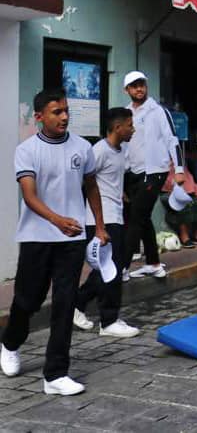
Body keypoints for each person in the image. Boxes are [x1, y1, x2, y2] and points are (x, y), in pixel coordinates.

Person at [1, 89, 108, 396]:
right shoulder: (26, 150)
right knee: (27, 300)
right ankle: (9, 343)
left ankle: (55, 374)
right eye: (56, 112)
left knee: (64, 303)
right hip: (37, 237)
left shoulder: (82, 147)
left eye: (65, 110)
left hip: (71, 239)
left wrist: (99, 226)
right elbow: (30, 196)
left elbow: (91, 187)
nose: (64, 116)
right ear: (39, 117)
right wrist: (56, 220)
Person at [73, 108, 140, 338]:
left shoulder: (121, 150)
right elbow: (85, 182)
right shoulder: (99, 151)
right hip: (100, 219)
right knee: (113, 268)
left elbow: (110, 179)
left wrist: (119, 193)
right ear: (118, 127)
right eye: (130, 125)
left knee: (109, 267)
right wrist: (96, 224)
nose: (133, 129)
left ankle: (78, 303)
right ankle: (108, 321)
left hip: (116, 216)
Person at [123, 71, 184, 278]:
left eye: (141, 84)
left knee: (135, 218)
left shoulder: (158, 111)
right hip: (133, 173)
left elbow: (172, 140)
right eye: (134, 86)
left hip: (155, 172)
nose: (139, 89)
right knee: (143, 218)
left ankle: (120, 268)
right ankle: (153, 263)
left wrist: (180, 170)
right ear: (127, 90)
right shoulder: (126, 113)